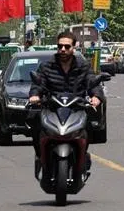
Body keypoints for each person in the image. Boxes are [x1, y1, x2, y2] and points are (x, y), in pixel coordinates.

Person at [28, 31, 105, 175]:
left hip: (76, 108)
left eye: (67, 46)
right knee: (35, 123)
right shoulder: (47, 66)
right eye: (60, 46)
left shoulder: (83, 66)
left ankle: (83, 157)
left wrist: (96, 96)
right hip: (52, 108)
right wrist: (35, 96)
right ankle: (40, 157)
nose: (63, 49)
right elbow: (38, 84)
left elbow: (91, 82)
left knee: (90, 127)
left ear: (73, 47)